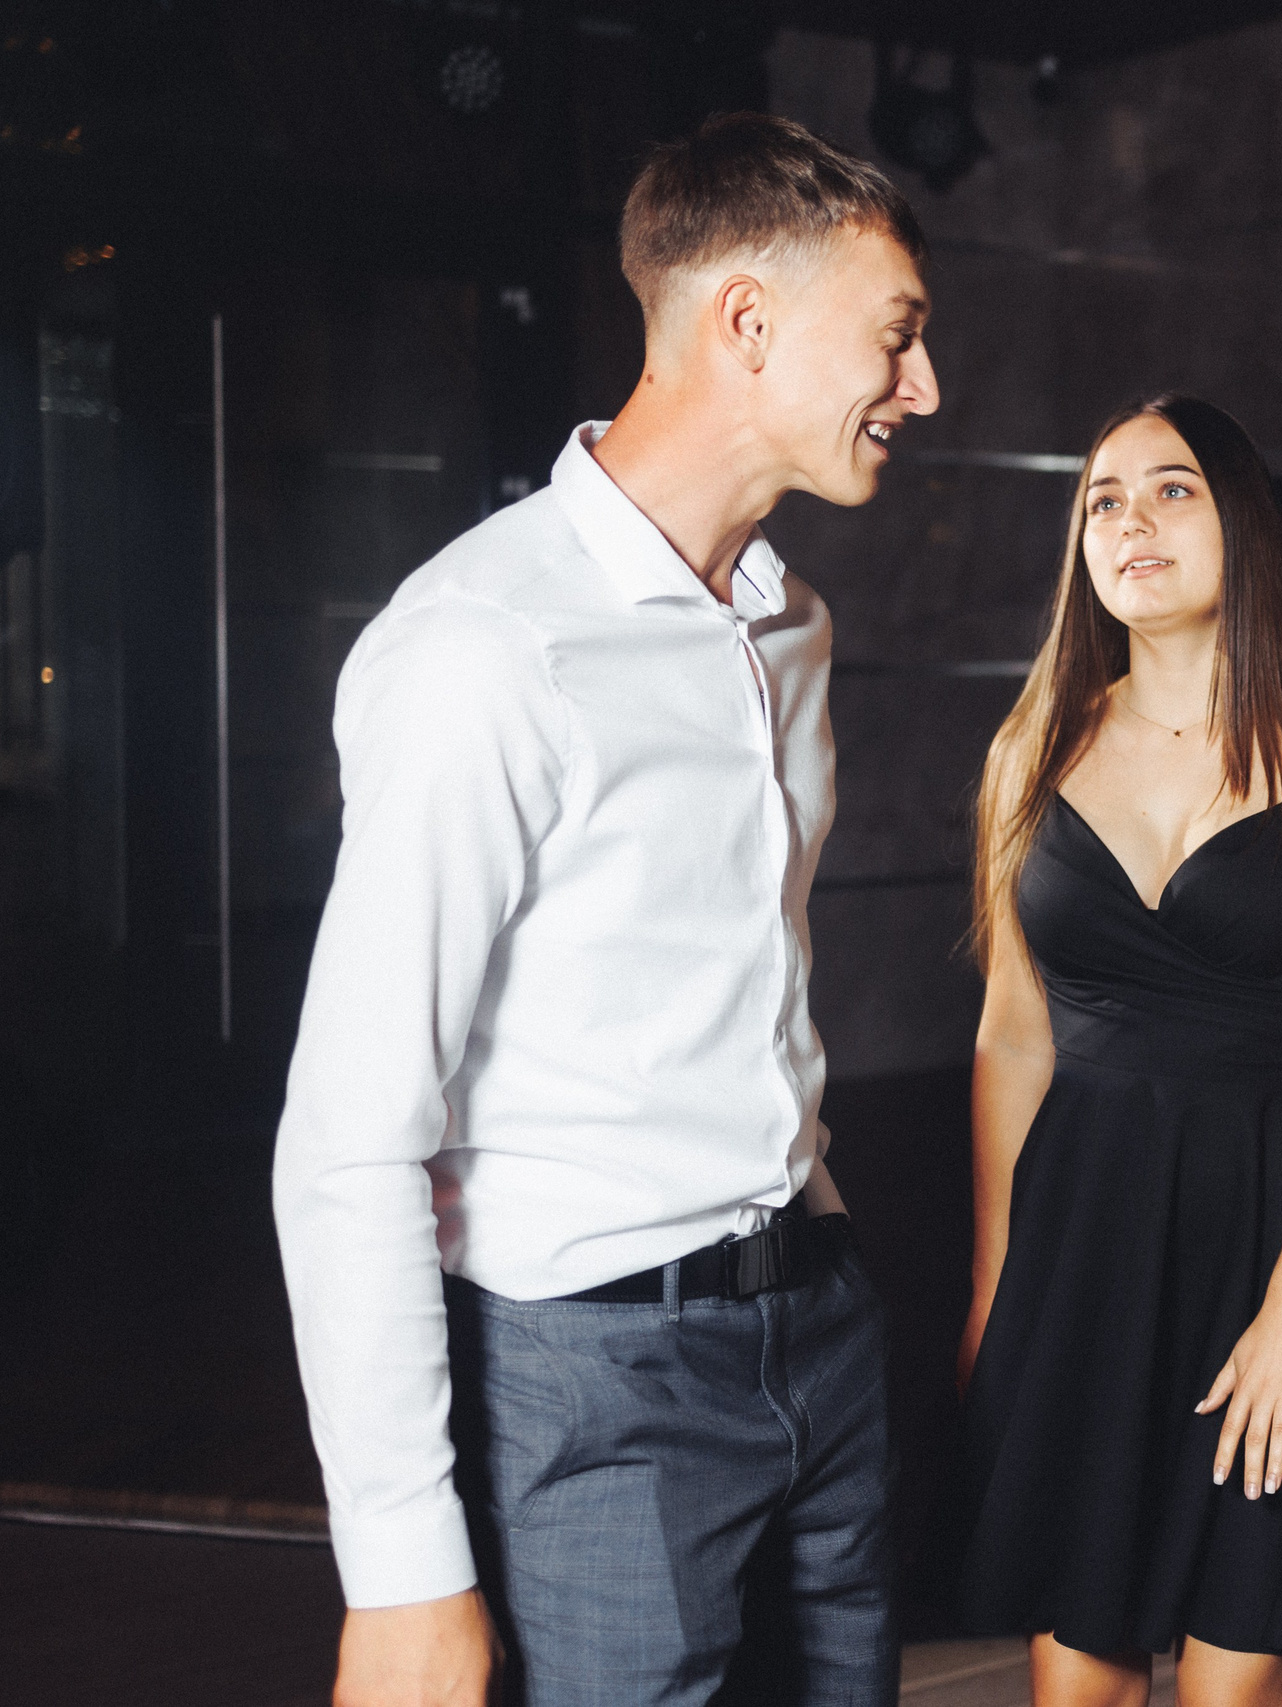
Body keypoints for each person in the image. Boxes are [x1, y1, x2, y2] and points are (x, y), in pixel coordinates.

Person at [272, 113, 937, 1707]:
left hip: (821, 1329)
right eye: (898, 335)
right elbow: (348, 1139)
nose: (925, 389)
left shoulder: (792, 626)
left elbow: (743, 996)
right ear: (747, 322)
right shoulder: (482, 648)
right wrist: (402, 1573)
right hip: (593, 1382)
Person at [955, 395, 1282, 1706]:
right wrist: (994, 1291)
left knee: (1234, 1683)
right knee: (1078, 1685)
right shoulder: (1032, 747)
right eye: (1103, 500)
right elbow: (1013, 1038)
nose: (1131, 521)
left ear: (1245, 517)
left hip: (1273, 1245)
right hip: (1083, 1263)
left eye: (1171, 489)